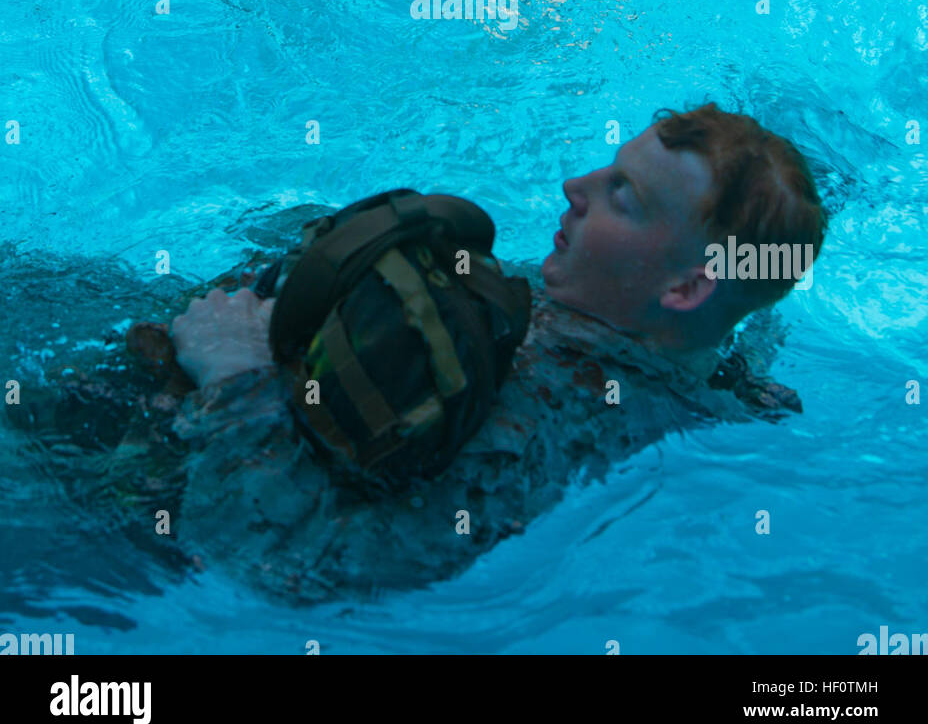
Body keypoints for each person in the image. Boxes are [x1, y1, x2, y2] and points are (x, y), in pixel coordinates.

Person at [7, 104, 825, 603]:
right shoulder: (704, 351)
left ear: (683, 289)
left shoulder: (555, 414)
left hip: (103, 499)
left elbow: (308, 568)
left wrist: (238, 373)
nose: (575, 186)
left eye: (624, 196)